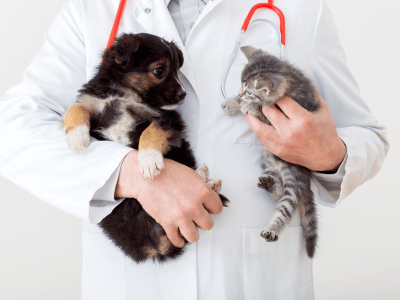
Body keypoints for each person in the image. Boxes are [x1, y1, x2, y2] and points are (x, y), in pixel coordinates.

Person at [0, 0, 388, 299]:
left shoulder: (301, 8)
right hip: (132, 280)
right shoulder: (93, 9)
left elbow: (367, 134)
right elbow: (13, 128)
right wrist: (129, 173)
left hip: (251, 280)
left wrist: (330, 154)